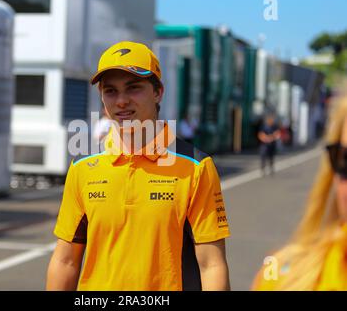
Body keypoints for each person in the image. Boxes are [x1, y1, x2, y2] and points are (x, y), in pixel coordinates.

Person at [46, 41, 231, 291]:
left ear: (158, 92)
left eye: (133, 88)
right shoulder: (83, 167)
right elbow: (65, 260)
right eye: (110, 91)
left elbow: (212, 265)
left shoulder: (196, 167)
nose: (121, 101)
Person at [251, 88, 347, 290]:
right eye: (345, 160)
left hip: (271, 147)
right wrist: (266, 138)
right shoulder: (280, 278)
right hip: (265, 148)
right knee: (265, 160)